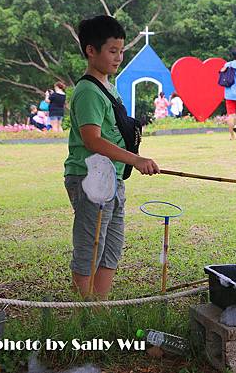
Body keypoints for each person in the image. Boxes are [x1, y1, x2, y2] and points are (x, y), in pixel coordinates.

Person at [64, 15, 159, 300]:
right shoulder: (88, 91)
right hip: (90, 179)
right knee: (90, 246)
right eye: (112, 51)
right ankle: (85, 311)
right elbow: (92, 139)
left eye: (121, 51)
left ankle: (99, 306)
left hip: (111, 178)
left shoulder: (108, 86)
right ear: (91, 51)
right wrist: (135, 159)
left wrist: (128, 161)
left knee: (110, 247)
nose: (118, 58)